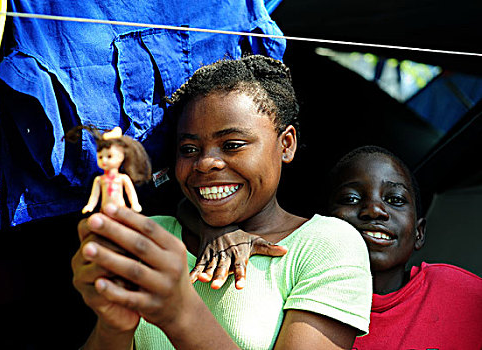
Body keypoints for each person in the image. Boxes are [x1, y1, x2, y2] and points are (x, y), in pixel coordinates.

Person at [71, 55, 372, 350]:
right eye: (189, 149)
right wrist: (114, 326)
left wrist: (180, 314)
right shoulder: (151, 238)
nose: (205, 163)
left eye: (232, 145)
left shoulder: (325, 245)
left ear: (286, 144)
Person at [326, 145, 482, 349]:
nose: (374, 210)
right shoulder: (294, 295)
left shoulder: (465, 296)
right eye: (351, 199)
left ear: (419, 233)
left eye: (395, 200)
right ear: (323, 220)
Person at [65, 125, 152, 213]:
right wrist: (90, 206)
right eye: (100, 157)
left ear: (121, 156)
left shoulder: (123, 178)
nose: (104, 160)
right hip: (104, 210)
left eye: (109, 156)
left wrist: (135, 204)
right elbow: (94, 196)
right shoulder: (99, 180)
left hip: (121, 209)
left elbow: (131, 193)